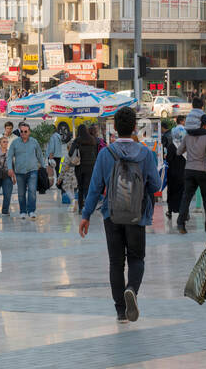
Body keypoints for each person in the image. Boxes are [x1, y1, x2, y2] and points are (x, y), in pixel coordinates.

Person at [78, 106, 161, 324]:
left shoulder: (106, 153)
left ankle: (120, 311)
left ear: (114, 128)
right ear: (135, 127)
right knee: (137, 258)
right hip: (137, 215)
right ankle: (131, 288)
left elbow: (95, 187)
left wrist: (86, 215)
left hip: (111, 215)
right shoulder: (145, 153)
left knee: (116, 262)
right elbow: (156, 185)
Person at [181, 113, 206, 234]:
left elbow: (178, 151)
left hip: (189, 170)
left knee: (186, 198)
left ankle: (180, 223)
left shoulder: (188, 136)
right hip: (202, 171)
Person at [8, 122, 46, 219]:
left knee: (32, 191)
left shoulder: (34, 142)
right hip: (19, 172)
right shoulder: (15, 143)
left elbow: (40, 155)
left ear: (29, 132)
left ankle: (32, 211)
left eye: (25, 131)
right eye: (21, 131)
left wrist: (44, 167)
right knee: (21, 193)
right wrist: (9, 168)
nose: (23, 133)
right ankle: (23, 211)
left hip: (32, 170)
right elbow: (9, 156)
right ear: (19, 132)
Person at [68, 123, 98, 215]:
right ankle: (88, 208)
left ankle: (81, 208)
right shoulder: (93, 140)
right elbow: (96, 153)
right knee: (88, 187)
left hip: (80, 166)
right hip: (91, 166)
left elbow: (70, 153)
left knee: (80, 188)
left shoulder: (77, 140)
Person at [162, 121, 187, 233]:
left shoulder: (172, 146)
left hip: (172, 175)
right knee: (183, 193)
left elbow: (168, 160)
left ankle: (170, 210)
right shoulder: (185, 147)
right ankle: (183, 212)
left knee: (171, 192)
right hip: (183, 174)